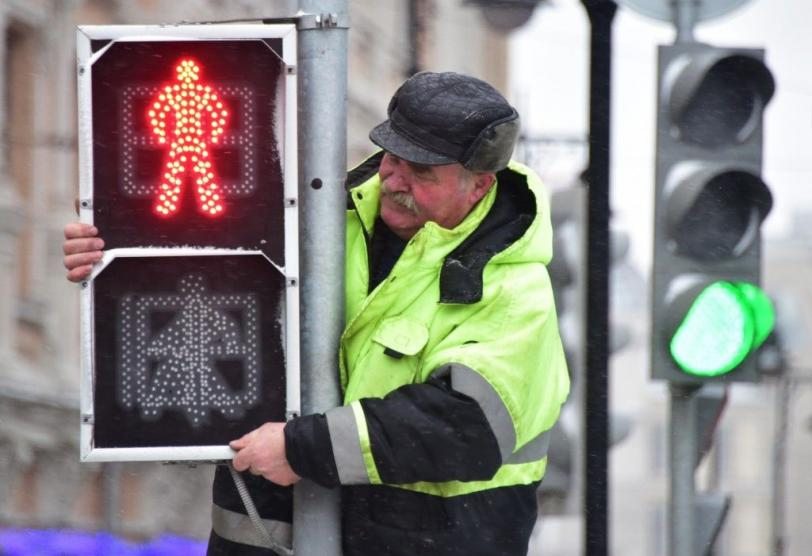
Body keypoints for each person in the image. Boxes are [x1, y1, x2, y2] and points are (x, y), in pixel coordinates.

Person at [63, 71, 570, 556]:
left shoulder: (514, 290)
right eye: (392, 157)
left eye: (421, 172)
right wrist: (114, 255)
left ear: (478, 186)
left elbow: (464, 425)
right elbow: (208, 274)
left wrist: (302, 449)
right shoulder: (315, 219)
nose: (394, 180)